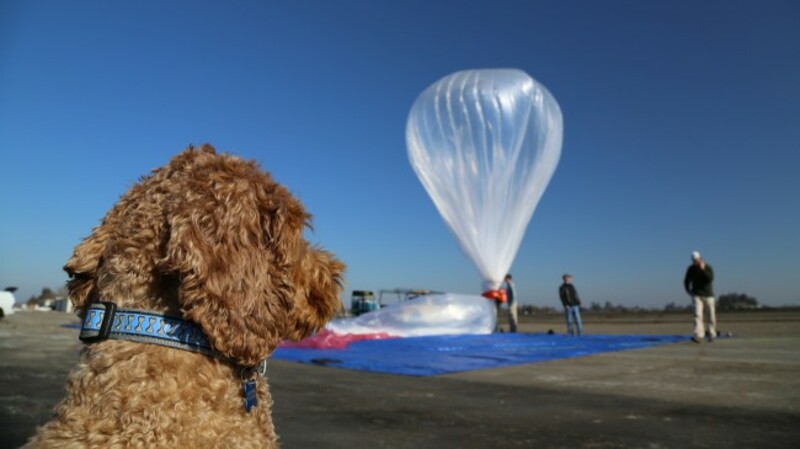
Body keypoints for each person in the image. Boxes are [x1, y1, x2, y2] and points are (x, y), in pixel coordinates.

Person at [684, 251, 716, 343]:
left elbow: (709, 279)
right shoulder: (691, 269)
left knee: (711, 316)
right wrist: (688, 290)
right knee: (697, 315)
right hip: (697, 295)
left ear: (701, 259)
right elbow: (686, 280)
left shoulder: (708, 267)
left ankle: (712, 334)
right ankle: (699, 335)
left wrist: (703, 270)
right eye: (694, 261)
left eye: (697, 260)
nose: (695, 262)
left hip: (708, 295)